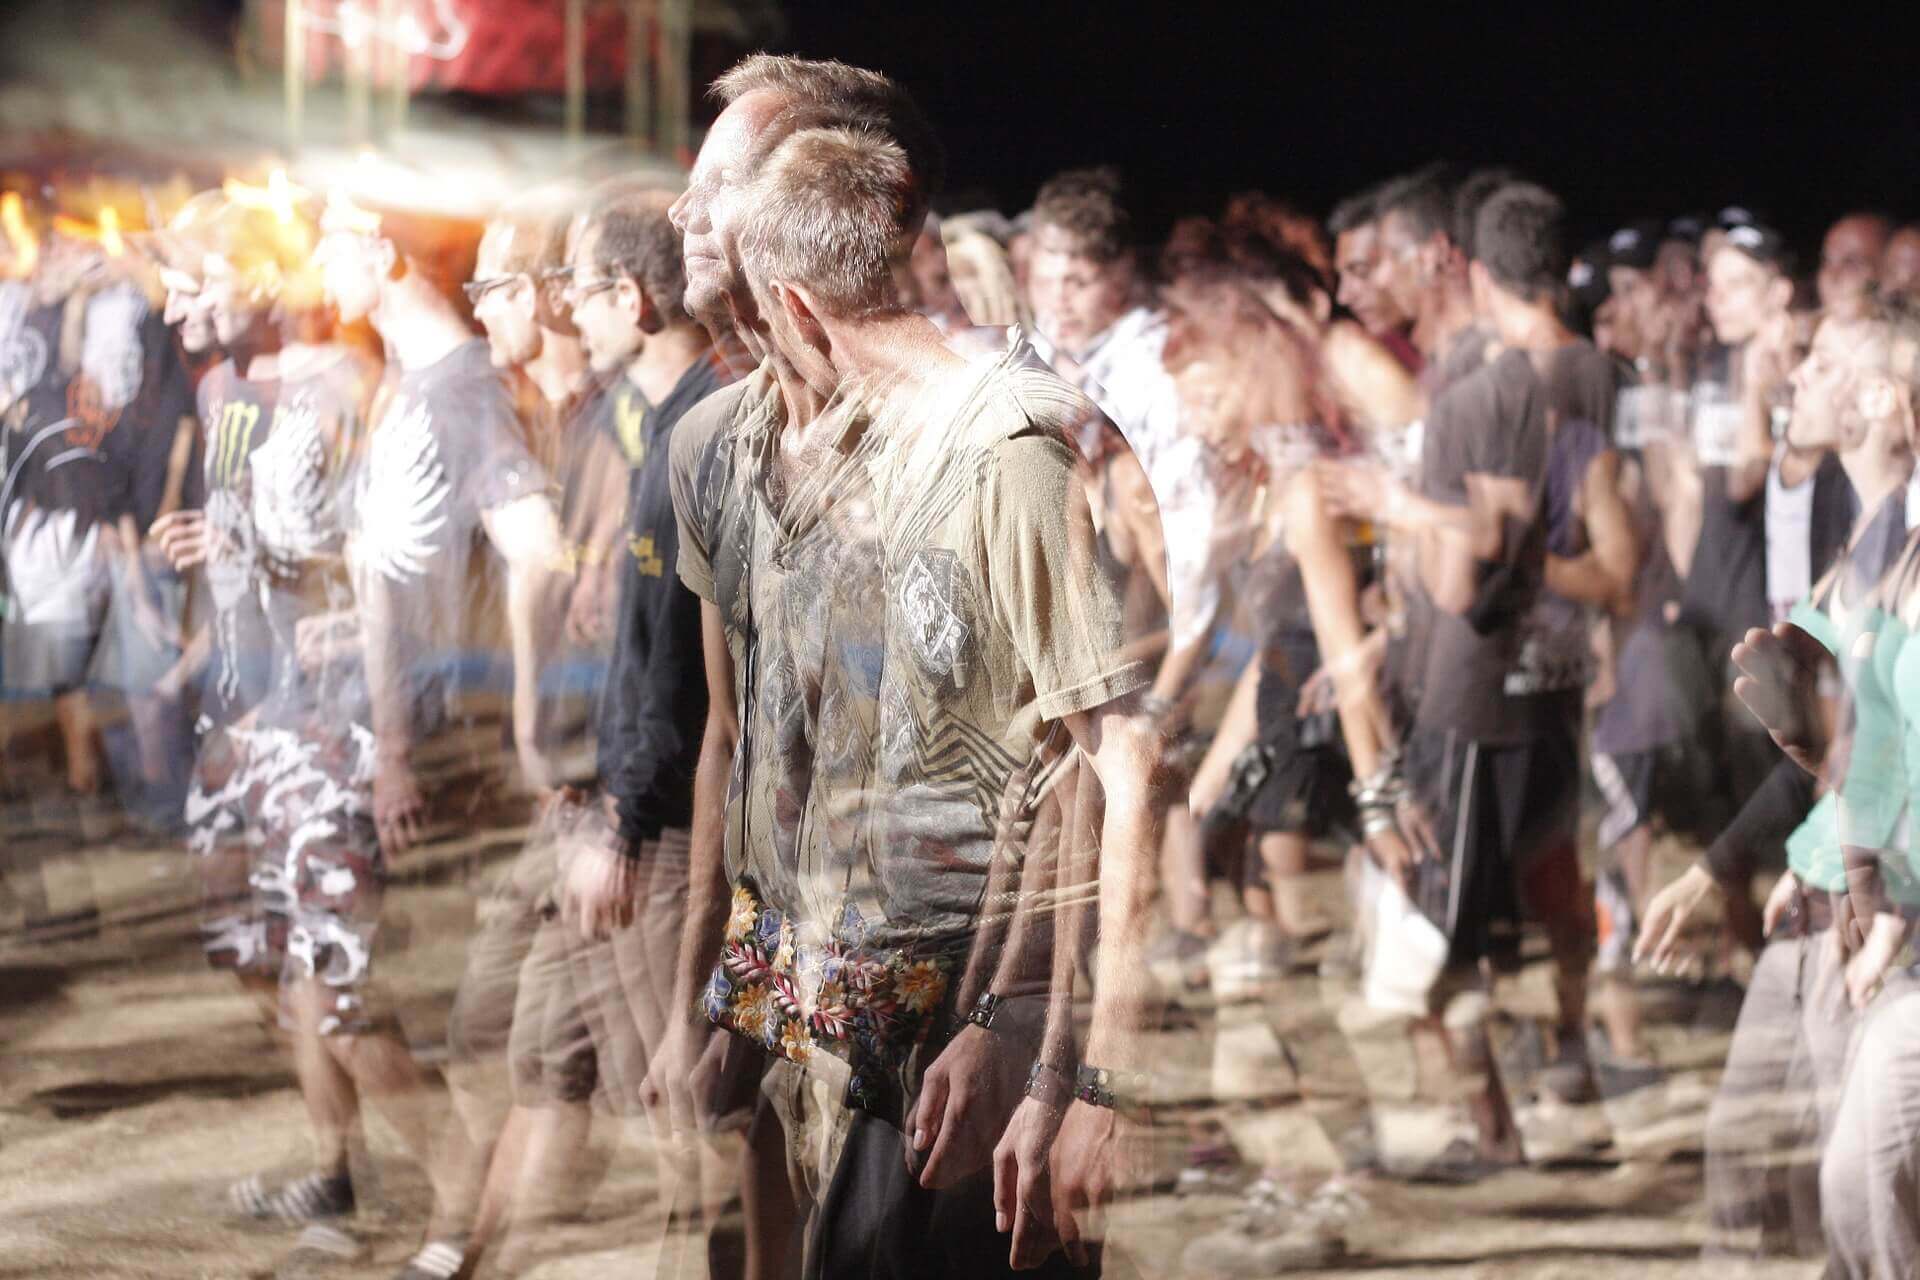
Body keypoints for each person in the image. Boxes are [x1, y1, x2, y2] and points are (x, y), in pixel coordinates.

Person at [655, 56, 1164, 1278]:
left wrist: (1062, 1059)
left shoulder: (1012, 440)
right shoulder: (718, 447)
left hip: (966, 1041)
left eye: (721, 177)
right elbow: (754, 742)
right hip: (819, 1016)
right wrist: (730, 997)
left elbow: (1093, 771)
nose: (685, 206)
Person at [315, 191, 571, 1280]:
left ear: (378, 247)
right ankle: (455, 1226)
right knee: (373, 999)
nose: (316, 267)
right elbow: (405, 564)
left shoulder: (464, 387)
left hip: (448, 748)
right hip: (401, 735)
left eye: (327, 242)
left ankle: (461, 1233)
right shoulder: (408, 386)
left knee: (438, 1012)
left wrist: (493, 718)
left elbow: (536, 548)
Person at [1637, 303, 1917, 1259]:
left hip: (1874, 913)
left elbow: (1884, 751)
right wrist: (1731, 863)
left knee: (1856, 1203)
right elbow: (1839, 749)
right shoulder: (1866, 548)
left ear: (1884, 397)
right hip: (1821, 892)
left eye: (1825, 362)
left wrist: (1885, 907)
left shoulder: (1908, 551)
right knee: (1748, 1169)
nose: (1796, 377)